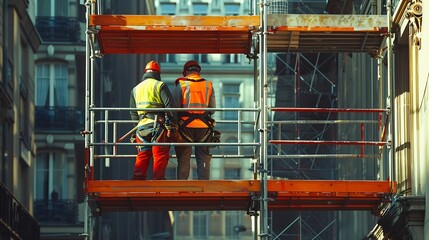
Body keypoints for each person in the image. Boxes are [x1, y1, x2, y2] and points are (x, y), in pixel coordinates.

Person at [130, 60, 177, 180]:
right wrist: (172, 125)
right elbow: (170, 107)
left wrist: (137, 125)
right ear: (158, 73)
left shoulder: (136, 89)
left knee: (143, 154)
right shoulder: (160, 85)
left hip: (141, 127)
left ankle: (137, 180)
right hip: (157, 125)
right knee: (160, 154)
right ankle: (158, 182)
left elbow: (133, 112)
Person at [173, 60, 216, 180]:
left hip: (185, 127)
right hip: (204, 127)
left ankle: (181, 187)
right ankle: (204, 185)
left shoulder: (181, 85)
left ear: (186, 72)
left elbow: (174, 108)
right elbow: (212, 109)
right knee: (203, 157)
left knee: (184, 157)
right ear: (199, 72)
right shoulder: (208, 85)